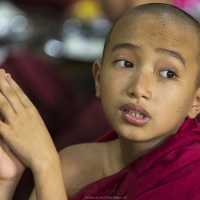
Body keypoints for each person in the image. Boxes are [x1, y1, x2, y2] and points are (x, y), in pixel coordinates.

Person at [1, 3, 200, 199]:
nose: (139, 88)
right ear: (98, 78)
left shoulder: (193, 175)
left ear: (196, 101)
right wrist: (6, 181)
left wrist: (44, 163)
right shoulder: (72, 163)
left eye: (168, 73)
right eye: (126, 63)